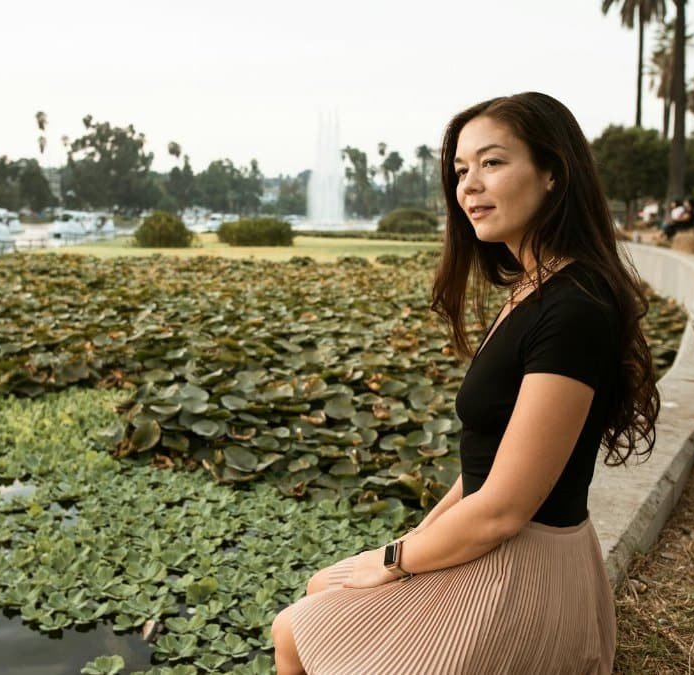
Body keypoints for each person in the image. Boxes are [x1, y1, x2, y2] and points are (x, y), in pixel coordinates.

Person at [271, 92, 659, 674]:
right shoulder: (533, 289)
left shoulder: (575, 307)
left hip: (525, 567)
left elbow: (503, 508)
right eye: (460, 170)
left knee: (295, 629)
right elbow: (484, 471)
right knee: (321, 589)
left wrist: (393, 561)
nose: (469, 185)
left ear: (554, 172)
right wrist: (405, 545)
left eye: (492, 162)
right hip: (507, 547)